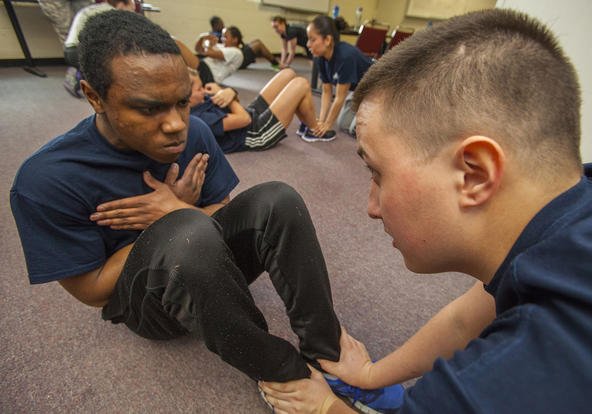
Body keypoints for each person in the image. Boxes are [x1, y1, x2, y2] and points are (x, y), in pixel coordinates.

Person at [9, 10, 402, 413]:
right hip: (149, 307)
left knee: (278, 199)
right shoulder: (47, 179)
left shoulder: (193, 132)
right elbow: (91, 291)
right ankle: (284, 376)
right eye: (149, 109)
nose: (176, 125)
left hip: (207, 264)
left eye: (181, 103)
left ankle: (328, 352)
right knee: (188, 230)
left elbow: (223, 213)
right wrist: (169, 219)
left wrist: (178, 209)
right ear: (95, 97)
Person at [260, 8, 592, 414]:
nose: (371, 207)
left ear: (474, 175)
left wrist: (325, 408)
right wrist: (369, 375)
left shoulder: (498, 382)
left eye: (376, 173)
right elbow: (469, 318)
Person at [189, 67, 336, 153]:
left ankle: (306, 121)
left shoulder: (200, 99)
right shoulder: (200, 120)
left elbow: (236, 107)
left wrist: (226, 95)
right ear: (186, 96)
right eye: (199, 89)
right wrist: (227, 92)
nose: (203, 91)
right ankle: (314, 130)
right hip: (256, 134)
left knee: (288, 73)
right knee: (301, 84)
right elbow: (244, 120)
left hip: (250, 115)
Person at [303, 15, 372, 141]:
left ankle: (383, 111)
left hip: (377, 88)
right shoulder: (320, 58)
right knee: (343, 125)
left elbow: (340, 96)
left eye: (312, 40)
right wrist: (321, 121)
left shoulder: (345, 56)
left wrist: (328, 125)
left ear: (327, 40)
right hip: (358, 90)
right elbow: (326, 91)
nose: (308, 44)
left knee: (357, 130)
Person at [62, 0, 136, 98]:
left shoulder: (98, 8)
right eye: (132, 9)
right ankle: (76, 77)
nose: (132, 13)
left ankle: (78, 73)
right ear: (122, 4)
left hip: (70, 49)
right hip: (79, 52)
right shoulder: (111, 14)